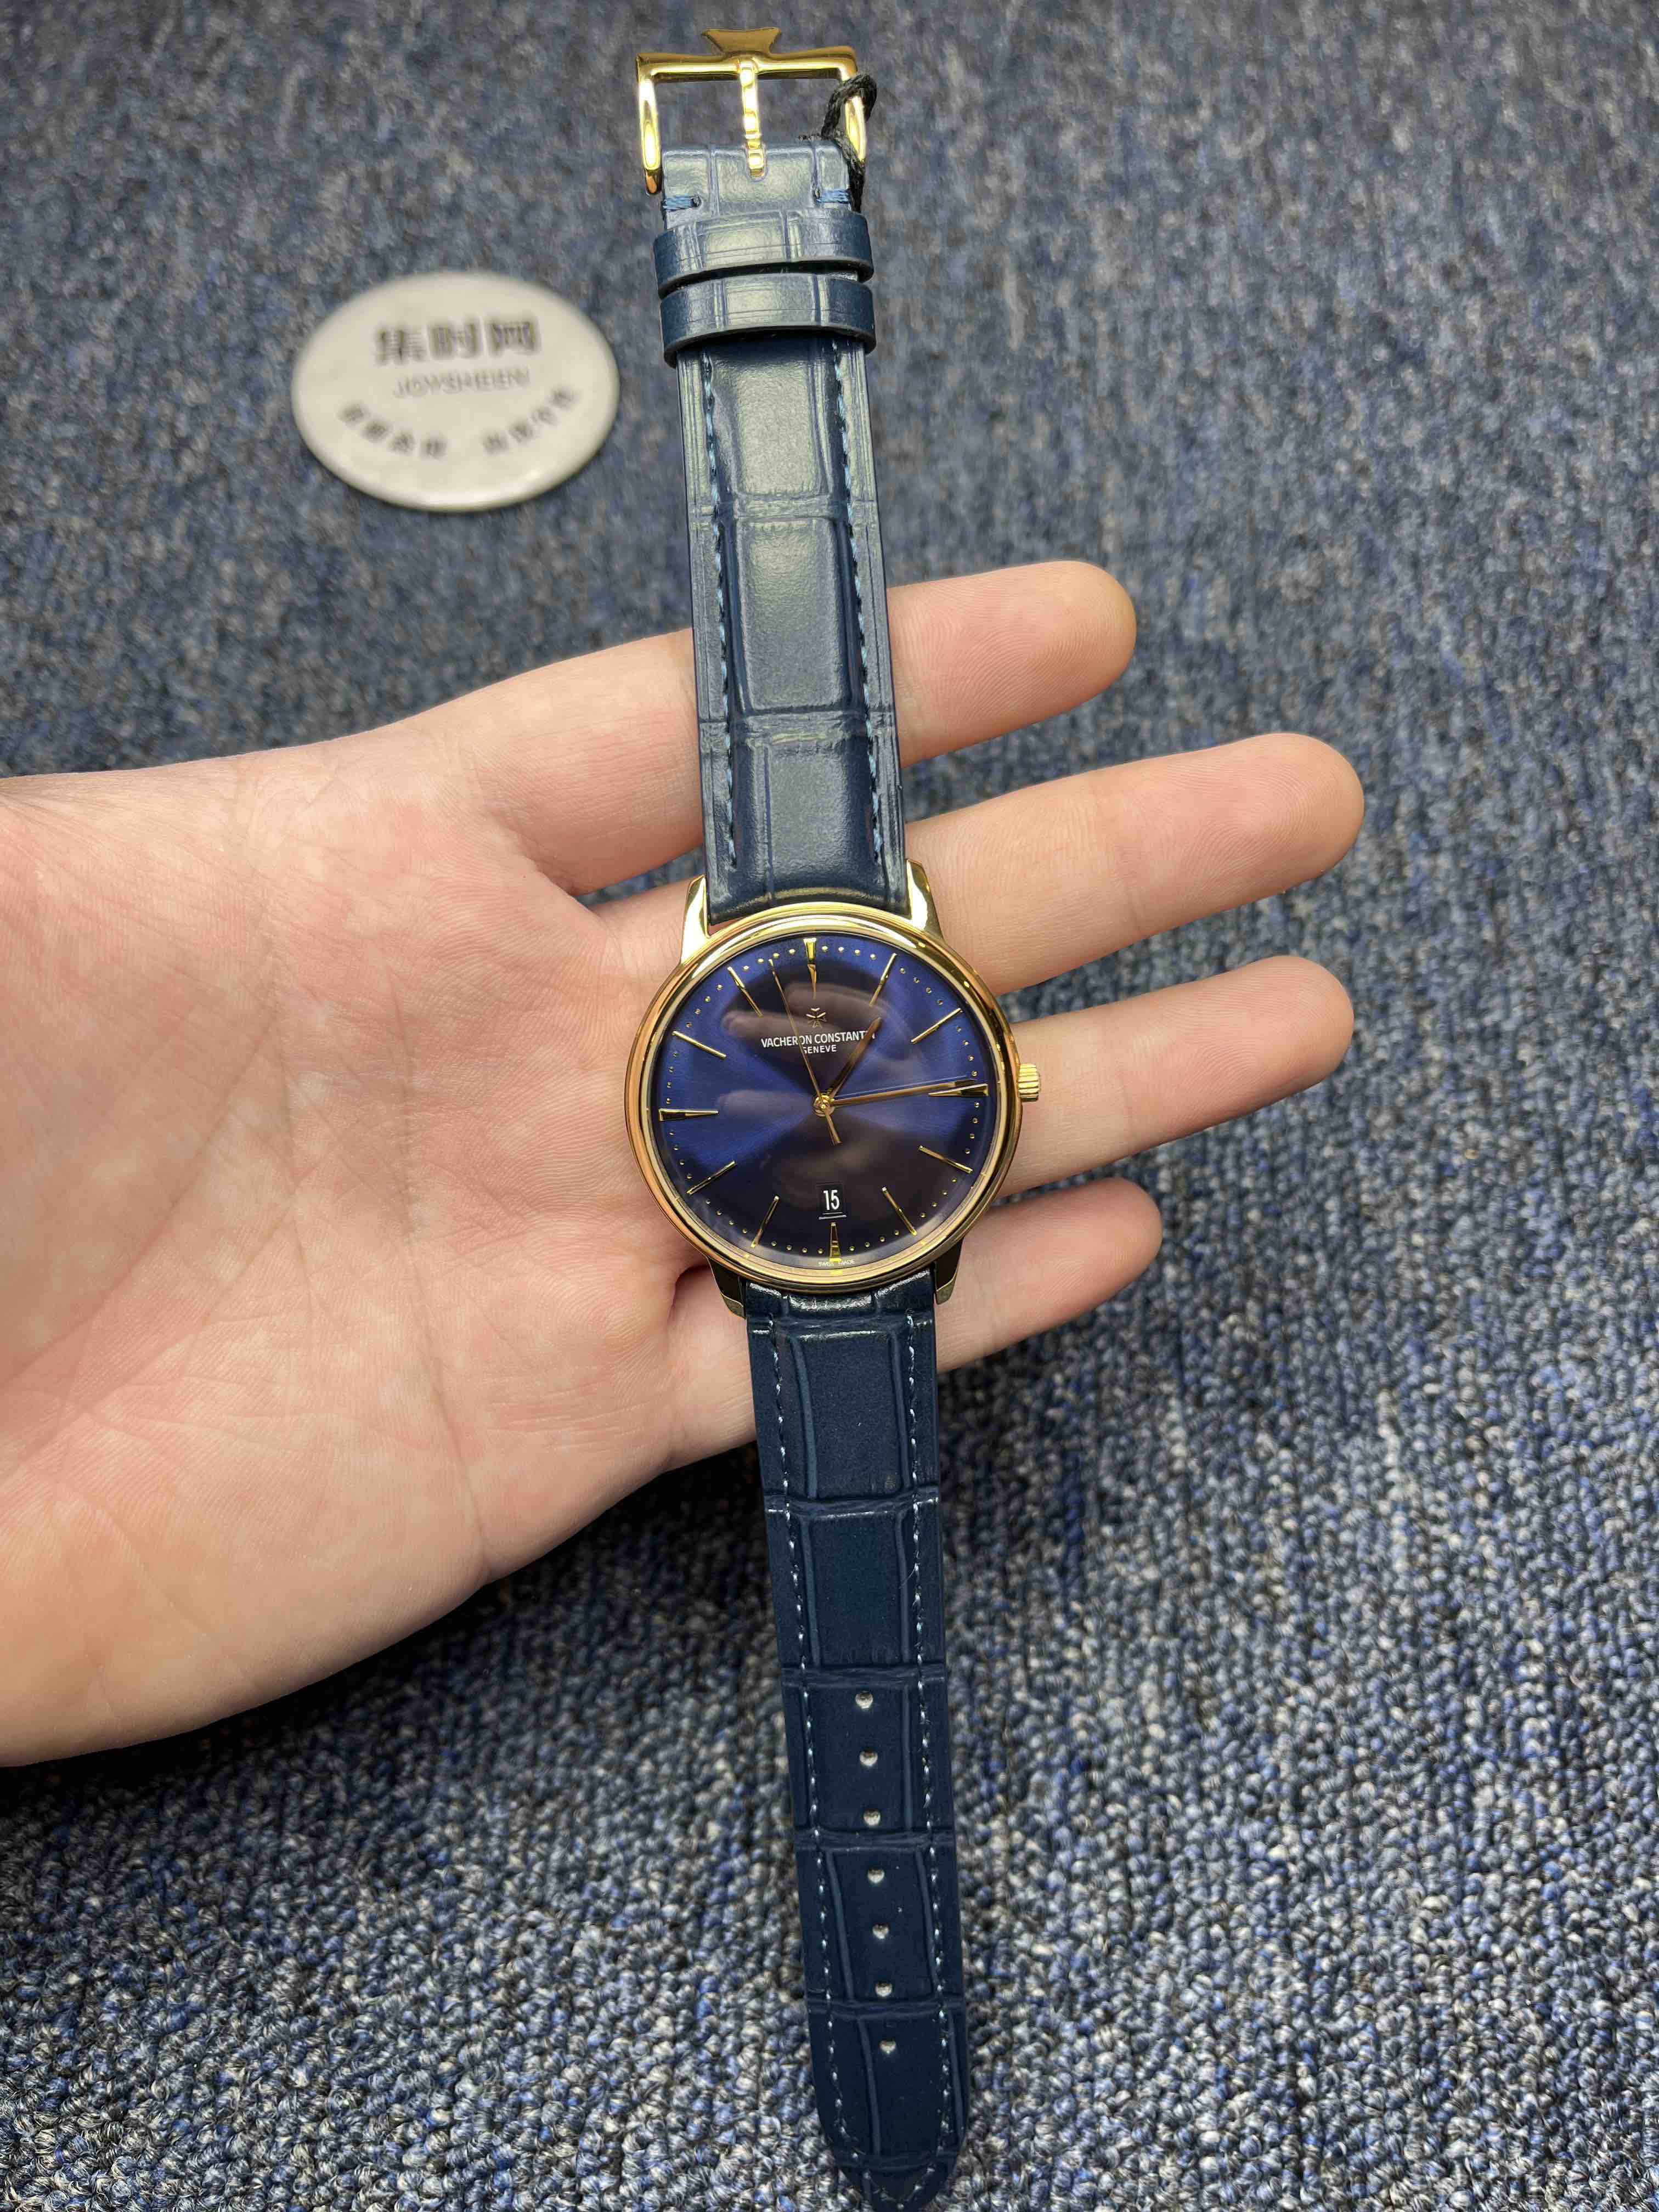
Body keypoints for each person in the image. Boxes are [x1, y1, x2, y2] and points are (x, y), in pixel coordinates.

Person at [0, 561, 1362, 1765]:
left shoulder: (783, 1052)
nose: (826, 1099)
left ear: (1004, 1085)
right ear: (998, 1076)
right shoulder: (806, 1061)